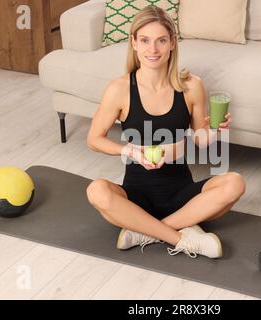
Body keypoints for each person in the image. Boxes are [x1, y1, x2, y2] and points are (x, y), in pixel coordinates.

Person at [86, 6, 246, 259]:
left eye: (161, 40)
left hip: (183, 197)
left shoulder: (192, 86)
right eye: (145, 41)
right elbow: (94, 139)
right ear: (134, 43)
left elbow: (200, 139)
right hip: (136, 198)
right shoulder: (120, 89)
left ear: (172, 43)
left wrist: (214, 130)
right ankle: (181, 237)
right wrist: (129, 150)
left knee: (234, 183)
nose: (153, 50)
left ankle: (145, 231)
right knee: (96, 191)